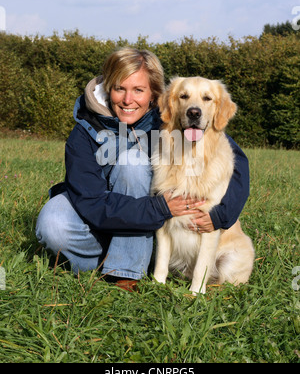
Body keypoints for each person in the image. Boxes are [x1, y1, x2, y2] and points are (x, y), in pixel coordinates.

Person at [36, 47, 249, 290]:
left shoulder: (168, 117)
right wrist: (158, 207)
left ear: (153, 93)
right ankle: (116, 259)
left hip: (141, 223)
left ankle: (126, 270)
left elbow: (237, 162)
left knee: (133, 164)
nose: (128, 100)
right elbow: (89, 201)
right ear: (108, 87)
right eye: (120, 89)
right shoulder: (84, 130)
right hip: (102, 216)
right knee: (52, 224)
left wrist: (220, 217)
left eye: (138, 90)